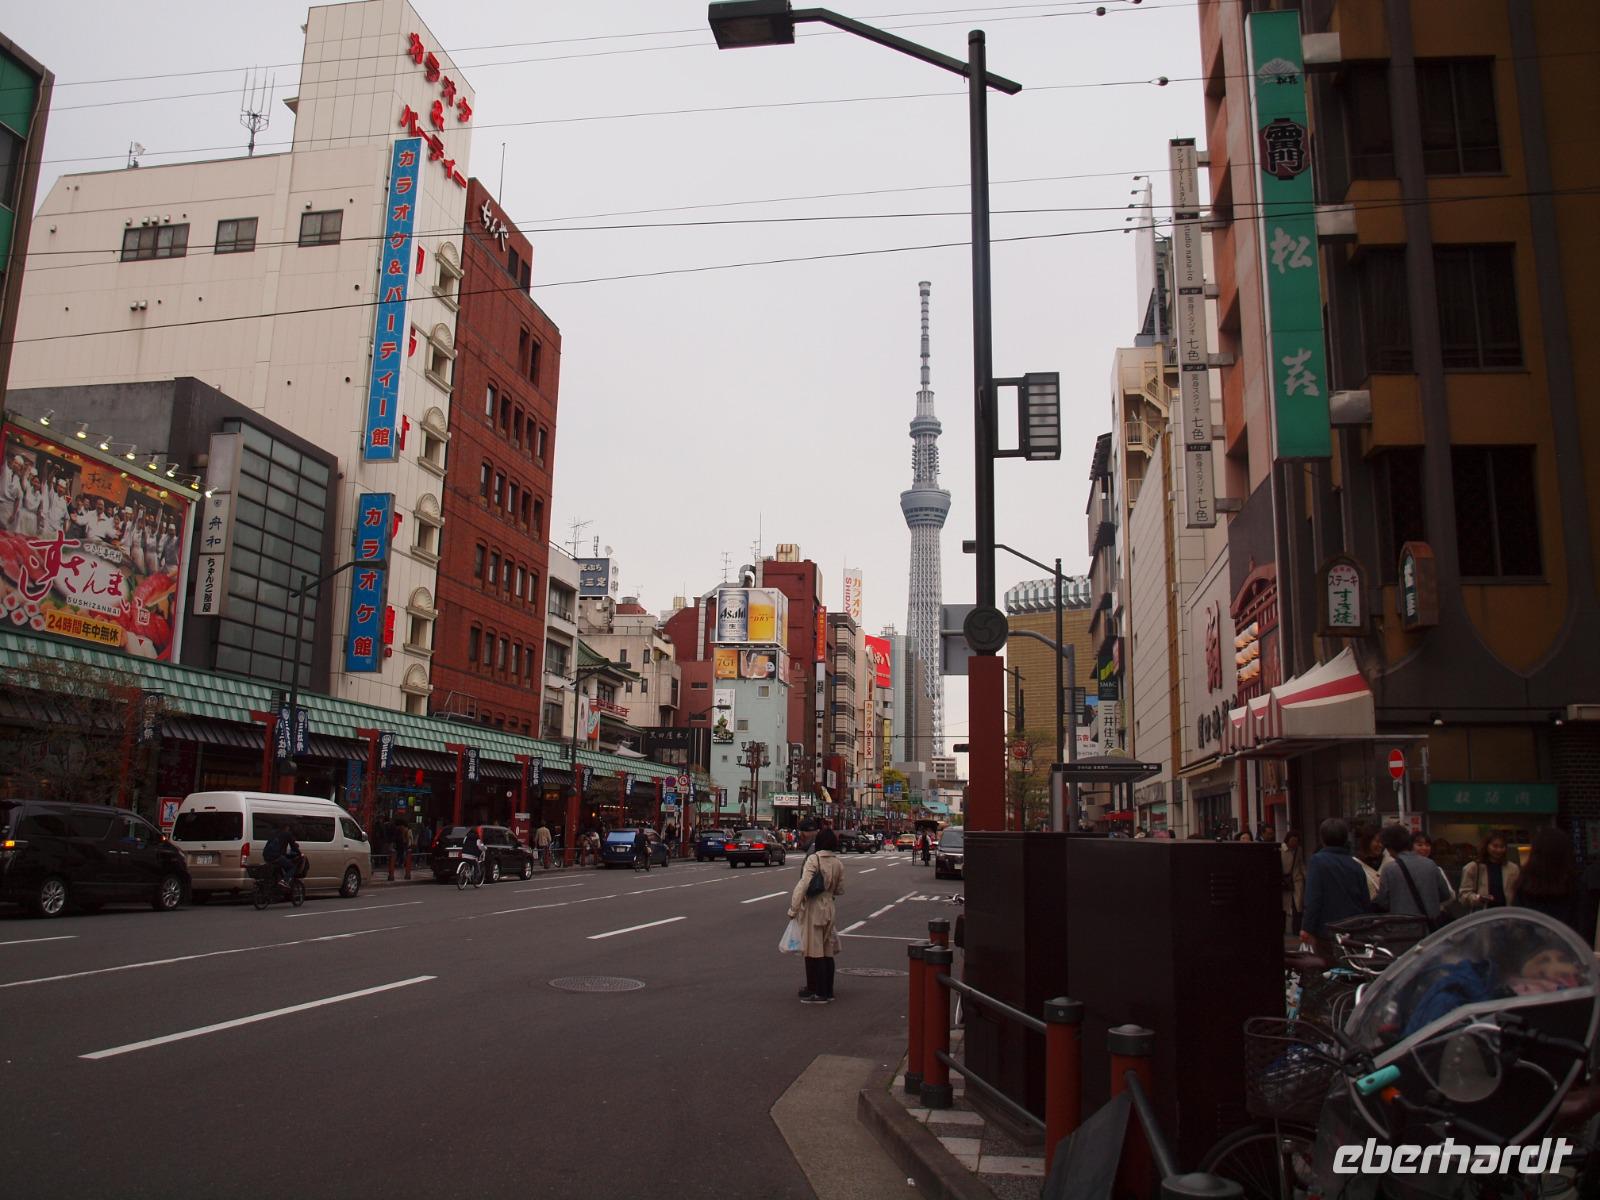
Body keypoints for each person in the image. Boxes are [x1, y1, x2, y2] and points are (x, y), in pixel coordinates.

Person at [790, 827, 846, 1004]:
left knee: (815, 950)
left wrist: (793, 908)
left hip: (815, 906)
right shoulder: (837, 862)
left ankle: (820, 993)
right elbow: (840, 889)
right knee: (828, 950)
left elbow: (803, 884)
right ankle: (829, 991)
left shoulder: (814, 859)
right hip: (830, 905)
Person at [1514, 827, 1596, 944]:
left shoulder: (1524, 886)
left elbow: (1518, 928)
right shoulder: (1575, 886)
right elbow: (1585, 929)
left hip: (1533, 951)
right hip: (1569, 949)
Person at [1299, 818, 1372, 947]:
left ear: (1322, 838)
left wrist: (1307, 927)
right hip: (1353, 929)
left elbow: (1314, 898)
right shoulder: (1355, 864)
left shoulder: (1317, 861)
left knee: (1325, 958)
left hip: (1327, 929)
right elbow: (1365, 899)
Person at [1375, 824, 1454, 922]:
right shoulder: (1430, 864)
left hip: (1402, 925)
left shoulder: (1389, 869)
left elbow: (1383, 902)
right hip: (1430, 925)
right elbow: (1445, 895)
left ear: (1389, 848)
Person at [1459, 831, 1520, 910]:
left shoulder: (1513, 868)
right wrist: (1478, 898)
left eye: (1502, 846)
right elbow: (1463, 896)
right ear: (1486, 846)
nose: (1499, 850)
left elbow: (1519, 894)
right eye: (1495, 846)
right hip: (1483, 914)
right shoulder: (1472, 867)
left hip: (1507, 913)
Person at [1349, 819, 1384, 901]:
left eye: (1382, 842)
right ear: (1367, 842)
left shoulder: (1388, 862)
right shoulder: (1355, 864)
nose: (1380, 845)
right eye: (1377, 841)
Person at [1280, 831, 1307, 936]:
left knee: (1298, 905)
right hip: (1285, 880)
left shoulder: (1298, 850)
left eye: (1296, 841)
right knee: (1284, 906)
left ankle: (1296, 929)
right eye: (1292, 841)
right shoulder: (1281, 849)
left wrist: (1306, 876)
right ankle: (1282, 928)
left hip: (1297, 879)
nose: (1294, 843)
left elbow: (1301, 864)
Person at [262, 824, 301, 892]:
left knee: (279, 866)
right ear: (287, 827)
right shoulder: (287, 834)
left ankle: (276, 883)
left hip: (266, 856)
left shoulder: (274, 833)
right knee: (292, 867)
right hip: (276, 856)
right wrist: (299, 853)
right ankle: (284, 881)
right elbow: (293, 847)